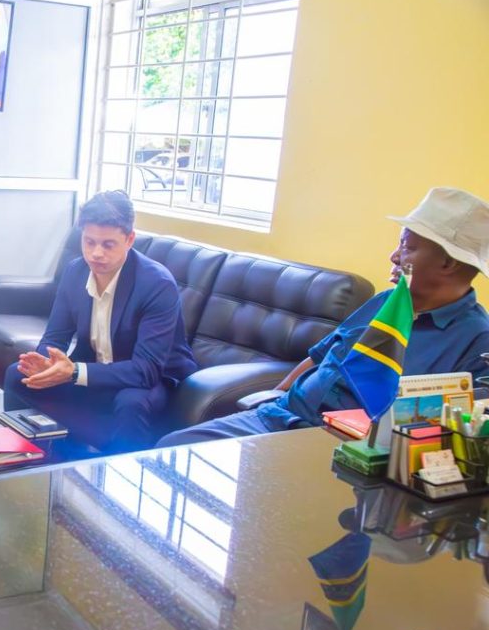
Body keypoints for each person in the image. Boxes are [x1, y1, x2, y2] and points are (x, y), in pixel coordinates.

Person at [157, 187, 489, 448]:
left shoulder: (476, 340)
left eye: (407, 247)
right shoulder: (385, 302)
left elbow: (454, 436)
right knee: (171, 449)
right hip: (280, 418)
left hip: (344, 449)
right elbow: (319, 356)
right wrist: (274, 396)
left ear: (448, 263)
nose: (394, 256)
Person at [3, 190, 198, 451]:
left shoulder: (156, 284)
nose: (96, 253)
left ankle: (120, 472)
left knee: (131, 403)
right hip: (95, 371)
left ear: (129, 239)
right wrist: (44, 364)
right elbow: (55, 337)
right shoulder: (75, 271)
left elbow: (146, 369)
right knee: (18, 375)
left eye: (108, 245)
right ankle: (26, 458)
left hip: (150, 380)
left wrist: (74, 372)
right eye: (89, 242)